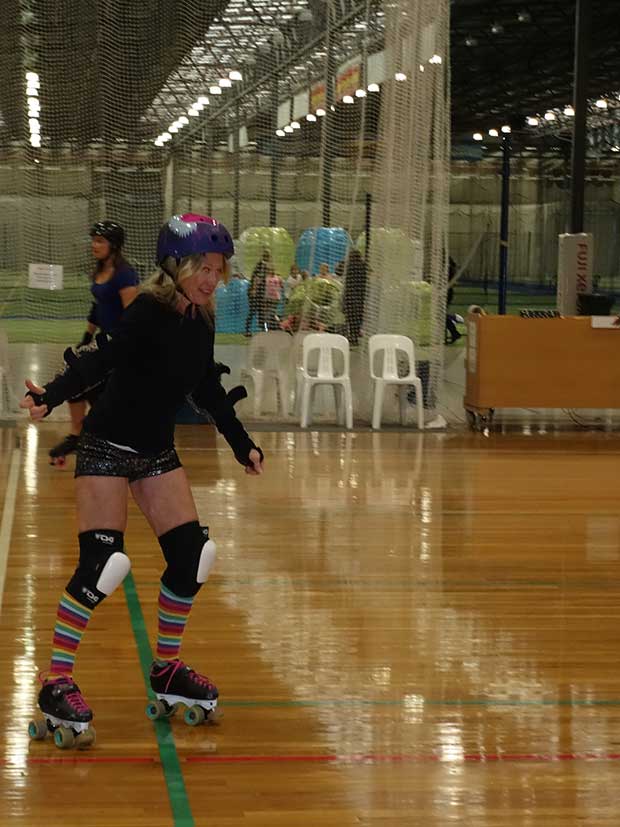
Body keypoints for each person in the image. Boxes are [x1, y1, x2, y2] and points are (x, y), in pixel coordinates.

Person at [21, 213, 264, 748]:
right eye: (204, 267)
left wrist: (241, 442)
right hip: (107, 446)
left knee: (193, 554)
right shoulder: (149, 312)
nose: (211, 279)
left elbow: (207, 387)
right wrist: (51, 396)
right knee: (105, 565)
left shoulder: (201, 322)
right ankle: (55, 679)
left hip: (155, 451)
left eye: (219, 269)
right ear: (177, 267)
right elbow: (100, 358)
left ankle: (167, 669)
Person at [49, 221, 139, 465]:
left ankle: (90, 440)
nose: (94, 245)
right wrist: (87, 337)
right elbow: (97, 305)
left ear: (114, 245)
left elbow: (132, 315)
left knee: (98, 394)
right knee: (77, 382)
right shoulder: (100, 270)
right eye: (94, 240)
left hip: (119, 345)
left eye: (100, 241)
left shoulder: (124, 274)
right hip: (102, 341)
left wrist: (116, 343)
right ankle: (77, 435)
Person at [342, 249, 367, 346]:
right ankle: (355, 335)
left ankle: (352, 335)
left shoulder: (350, 266)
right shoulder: (363, 266)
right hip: (360, 295)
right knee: (358, 316)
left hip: (350, 295)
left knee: (350, 316)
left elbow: (347, 282)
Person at [245, 249, 271, 336]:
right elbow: (256, 279)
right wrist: (254, 290)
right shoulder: (261, 266)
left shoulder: (264, 267)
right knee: (253, 311)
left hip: (259, 292)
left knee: (260, 311)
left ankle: (262, 329)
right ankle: (248, 330)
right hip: (255, 293)